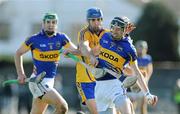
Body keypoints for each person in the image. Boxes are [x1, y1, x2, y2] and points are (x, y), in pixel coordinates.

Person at [89, 16, 158, 114]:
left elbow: (137, 72)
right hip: (100, 88)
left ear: (124, 30)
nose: (114, 31)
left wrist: (147, 94)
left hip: (116, 86)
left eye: (118, 29)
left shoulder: (129, 48)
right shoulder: (105, 37)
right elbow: (92, 52)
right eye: (113, 27)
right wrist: (88, 56)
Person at [14, 12, 79, 114]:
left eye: (53, 22)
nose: (50, 24)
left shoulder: (62, 38)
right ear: (43, 24)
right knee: (62, 107)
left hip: (50, 82)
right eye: (48, 22)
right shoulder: (34, 39)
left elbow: (77, 52)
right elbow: (18, 53)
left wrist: (71, 52)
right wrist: (20, 74)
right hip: (37, 81)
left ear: (56, 24)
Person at [75, 7, 108, 114]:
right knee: (97, 112)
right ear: (88, 21)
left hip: (102, 79)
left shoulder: (107, 34)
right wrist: (91, 56)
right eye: (93, 20)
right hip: (85, 80)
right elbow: (84, 46)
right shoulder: (84, 32)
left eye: (98, 19)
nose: (96, 22)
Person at [126, 40, 153, 114]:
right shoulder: (133, 57)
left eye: (143, 47)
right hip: (132, 84)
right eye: (139, 47)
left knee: (143, 107)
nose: (141, 49)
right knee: (131, 106)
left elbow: (149, 71)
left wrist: (146, 80)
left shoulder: (148, 58)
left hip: (143, 84)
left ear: (146, 49)